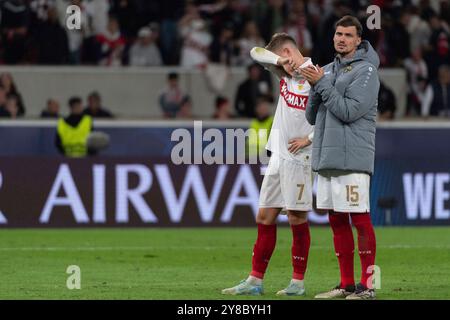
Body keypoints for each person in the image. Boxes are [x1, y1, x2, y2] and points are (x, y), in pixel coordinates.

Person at [222, 33, 315, 296]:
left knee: (297, 218)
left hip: (299, 159)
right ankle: (255, 281)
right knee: (264, 217)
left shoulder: (316, 77)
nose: (275, 66)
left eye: (281, 57)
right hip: (278, 156)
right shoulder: (284, 73)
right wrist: (280, 62)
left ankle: (297, 283)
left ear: (289, 50)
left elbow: (329, 114)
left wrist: (308, 139)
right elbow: (255, 52)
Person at [301, 15, 378, 300]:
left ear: (359, 40)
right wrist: (315, 86)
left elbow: (348, 112)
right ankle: (346, 284)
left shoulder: (367, 71)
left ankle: (368, 286)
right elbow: (312, 117)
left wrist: (321, 84)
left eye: (348, 35)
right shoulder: (329, 70)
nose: (341, 39)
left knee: (359, 220)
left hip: (352, 156)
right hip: (328, 156)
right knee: (336, 219)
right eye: (338, 34)